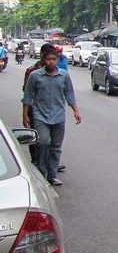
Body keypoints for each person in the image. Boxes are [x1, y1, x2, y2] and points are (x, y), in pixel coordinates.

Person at [22, 46, 82, 186]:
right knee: (43, 143)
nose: (51, 62)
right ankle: (42, 173)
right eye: (48, 59)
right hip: (40, 116)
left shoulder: (64, 75)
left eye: (54, 59)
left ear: (57, 60)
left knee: (56, 146)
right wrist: (25, 115)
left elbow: (70, 95)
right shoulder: (35, 75)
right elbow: (28, 97)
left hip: (58, 116)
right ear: (44, 60)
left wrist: (76, 111)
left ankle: (52, 175)